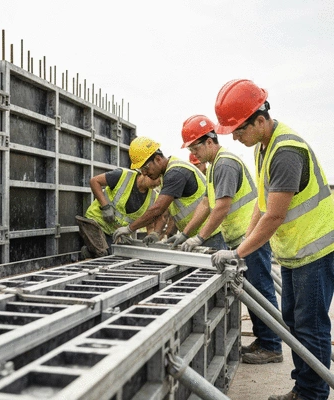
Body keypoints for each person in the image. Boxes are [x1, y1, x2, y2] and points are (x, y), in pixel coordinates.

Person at [212, 79, 334, 400]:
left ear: (260, 120)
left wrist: (239, 251)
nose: (236, 138)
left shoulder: (285, 151)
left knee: (311, 327)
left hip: (316, 251)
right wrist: (243, 247)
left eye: (239, 130)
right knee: (295, 322)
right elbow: (261, 206)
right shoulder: (264, 147)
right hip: (297, 251)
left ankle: (312, 394)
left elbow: (275, 216)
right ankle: (305, 387)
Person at [171, 115, 282, 365]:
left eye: (196, 147)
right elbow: (205, 203)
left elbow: (220, 208)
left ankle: (272, 346)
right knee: (253, 292)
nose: (194, 153)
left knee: (260, 292)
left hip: (250, 238)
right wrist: (185, 234)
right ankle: (265, 340)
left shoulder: (225, 164)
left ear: (210, 141)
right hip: (242, 239)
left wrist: (199, 237)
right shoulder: (215, 167)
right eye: (191, 149)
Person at [112, 136, 224, 248]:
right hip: (197, 235)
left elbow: (158, 208)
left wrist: (129, 228)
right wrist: (157, 232)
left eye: (146, 168)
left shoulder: (175, 173)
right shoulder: (166, 174)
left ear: (158, 159)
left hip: (210, 235)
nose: (144, 173)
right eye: (141, 170)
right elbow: (165, 211)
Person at [76, 167, 160, 259]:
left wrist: (152, 238)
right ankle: (90, 252)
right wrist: (105, 207)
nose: (158, 182)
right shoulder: (123, 175)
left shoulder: (153, 197)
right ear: (145, 172)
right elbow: (94, 181)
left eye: (160, 181)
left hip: (114, 233)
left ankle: (91, 252)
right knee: (104, 255)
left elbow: (150, 224)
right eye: (155, 178)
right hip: (95, 222)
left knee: (118, 256)